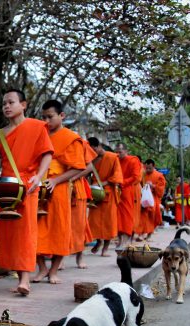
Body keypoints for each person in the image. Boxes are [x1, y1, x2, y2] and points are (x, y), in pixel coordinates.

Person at [0, 89, 53, 295]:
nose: (6, 106)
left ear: (23, 105)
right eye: (4, 103)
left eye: (11, 102)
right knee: (8, 234)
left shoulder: (36, 127)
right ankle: (17, 271)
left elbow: (47, 155)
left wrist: (39, 176)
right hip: (6, 187)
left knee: (26, 232)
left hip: (28, 185)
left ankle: (25, 279)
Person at [33, 100, 85, 284]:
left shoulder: (70, 138)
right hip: (39, 188)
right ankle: (42, 268)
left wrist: (55, 180)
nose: (46, 121)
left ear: (62, 116)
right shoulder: (39, 135)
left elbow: (78, 168)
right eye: (43, 117)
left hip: (60, 188)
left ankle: (54, 271)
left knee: (60, 231)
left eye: (50, 117)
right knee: (35, 231)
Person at [87, 137, 123, 257]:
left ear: (98, 147)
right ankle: (98, 241)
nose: (92, 153)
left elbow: (117, 177)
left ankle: (105, 249)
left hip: (108, 193)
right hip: (95, 193)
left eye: (93, 150)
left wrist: (102, 183)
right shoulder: (92, 159)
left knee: (109, 222)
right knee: (93, 221)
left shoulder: (112, 157)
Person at [69, 138, 97, 268]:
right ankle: (59, 258)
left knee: (79, 225)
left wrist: (72, 177)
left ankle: (80, 257)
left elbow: (89, 166)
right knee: (61, 224)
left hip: (77, 187)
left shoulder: (80, 143)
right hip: (58, 185)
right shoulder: (53, 140)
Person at [115, 143, 141, 247]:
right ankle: (120, 239)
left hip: (127, 191)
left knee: (126, 216)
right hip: (116, 191)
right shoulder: (116, 160)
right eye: (116, 152)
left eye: (120, 152)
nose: (118, 154)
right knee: (117, 217)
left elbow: (135, 177)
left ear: (126, 151)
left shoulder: (133, 160)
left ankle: (125, 240)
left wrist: (122, 182)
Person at [137, 159, 166, 240]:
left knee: (152, 217)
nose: (148, 170)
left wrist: (153, 186)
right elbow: (139, 184)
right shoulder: (142, 174)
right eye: (146, 168)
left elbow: (161, 188)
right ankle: (141, 234)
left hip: (154, 198)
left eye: (150, 168)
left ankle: (149, 235)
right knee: (142, 217)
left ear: (154, 166)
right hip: (143, 198)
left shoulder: (159, 175)